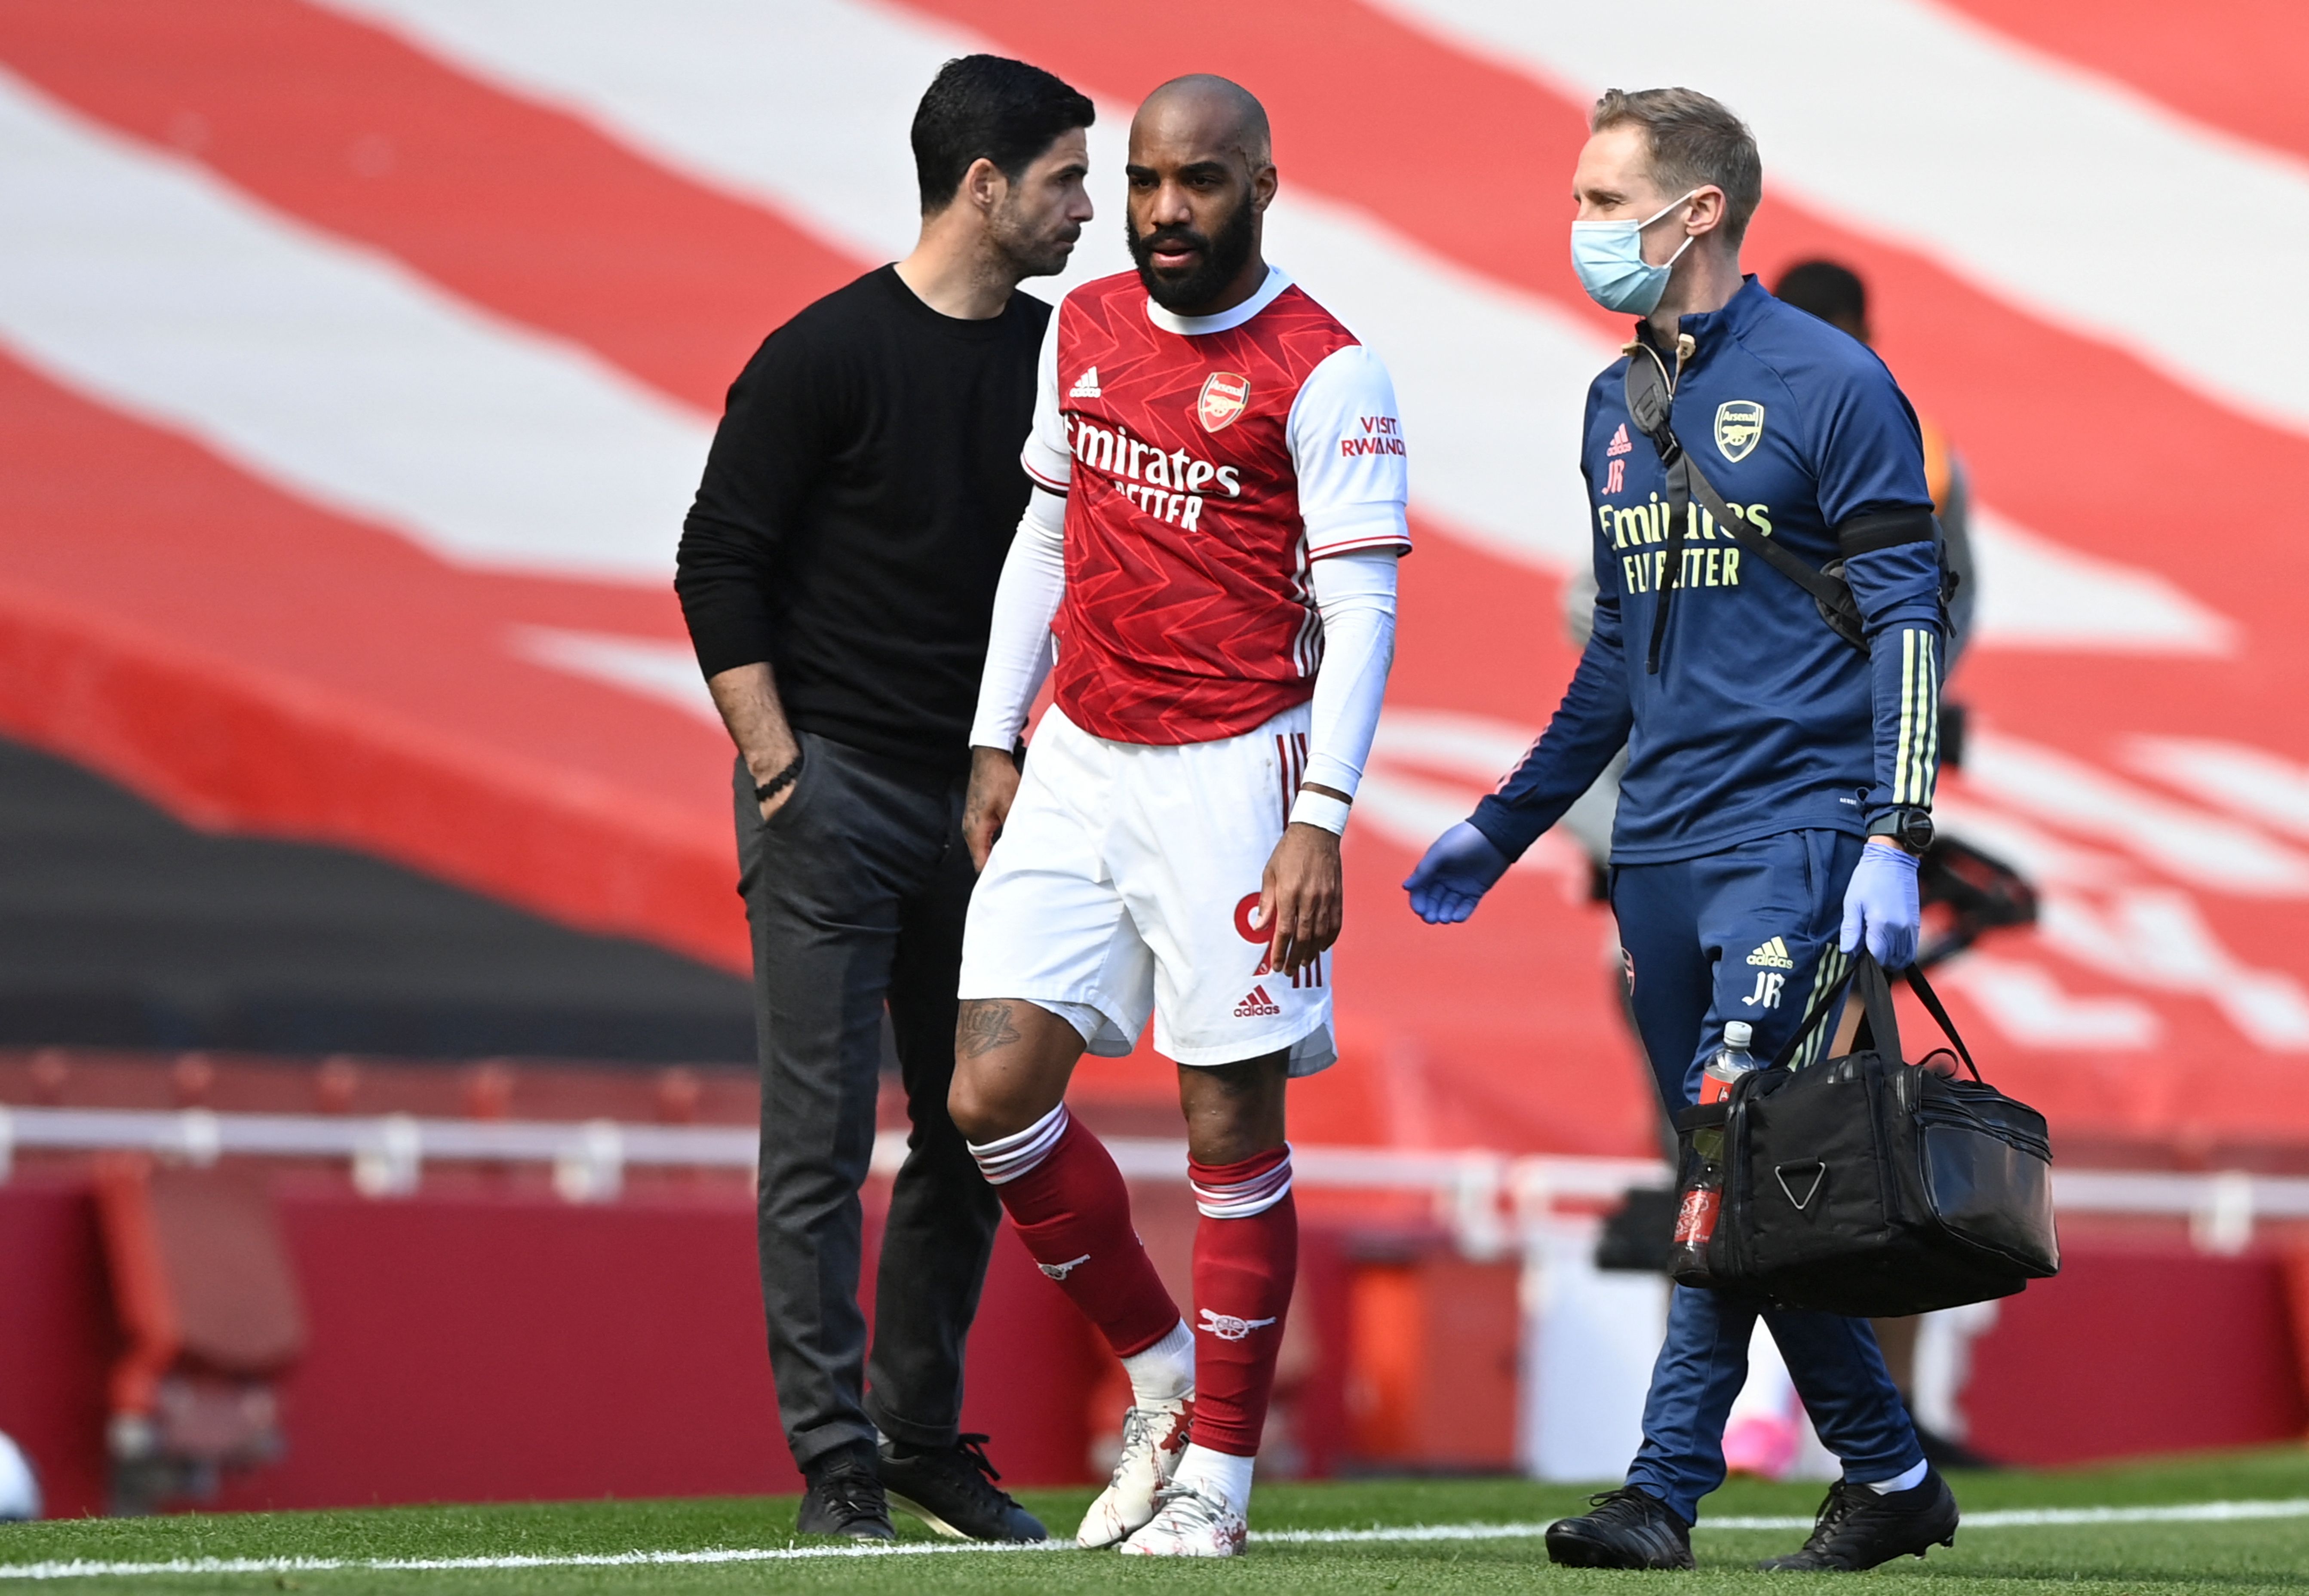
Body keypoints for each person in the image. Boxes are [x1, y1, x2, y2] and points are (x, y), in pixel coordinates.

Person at [1403, 88, 1960, 1571]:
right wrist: (1507, 824)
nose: (1580, 228)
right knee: (1744, 1190)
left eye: (1601, 199)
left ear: (1695, 210)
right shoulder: (1614, 403)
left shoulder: (1838, 386)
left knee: (1724, 1141)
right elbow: (1612, 661)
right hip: (1653, 851)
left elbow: (1913, 618)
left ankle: (1661, 1491)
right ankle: (1894, 1476)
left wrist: (1896, 833)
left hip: (1795, 834)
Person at [944, 75, 1408, 1558]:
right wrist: (994, 734)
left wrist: (1321, 815)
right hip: (1081, 751)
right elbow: (1046, 525)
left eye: (1196, 183)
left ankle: (1218, 1473)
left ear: (1263, 186)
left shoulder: (1325, 369)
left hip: (1239, 772)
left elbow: (1360, 598)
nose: (1159, 213)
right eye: (1143, 181)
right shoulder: (1079, 329)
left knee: (1226, 1120)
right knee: (988, 1095)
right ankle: (1158, 1380)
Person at [673, 54, 1094, 1543]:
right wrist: (781, 770)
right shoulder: (821, 354)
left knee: (982, 1122)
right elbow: (715, 563)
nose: (1089, 209)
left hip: (987, 807)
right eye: (1064, 180)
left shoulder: (1062, 363)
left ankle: (920, 1438)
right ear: (984, 188)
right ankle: (835, 1466)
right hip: (835, 793)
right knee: (819, 1141)